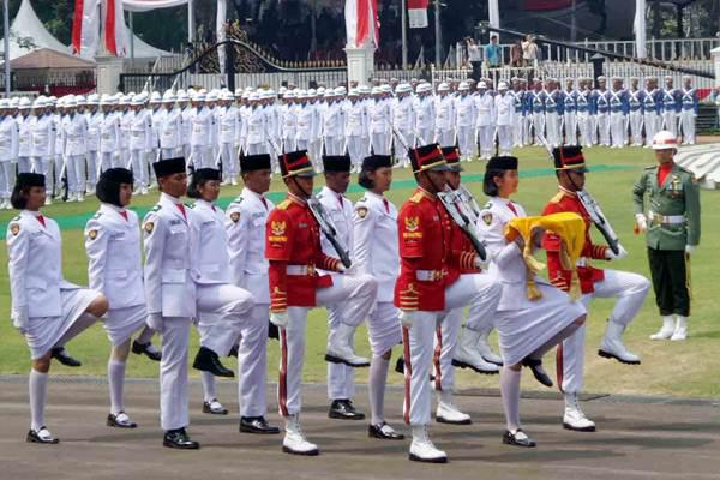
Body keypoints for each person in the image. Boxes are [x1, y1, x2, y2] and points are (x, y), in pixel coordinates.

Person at [266, 150, 377, 456]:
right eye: (303, 178)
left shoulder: (309, 210)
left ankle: (339, 342)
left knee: (366, 284)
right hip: (291, 292)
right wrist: (277, 304)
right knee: (292, 360)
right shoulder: (282, 214)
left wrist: (338, 265)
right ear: (290, 181)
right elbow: (276, 265)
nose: (309, 182)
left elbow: (316, 255)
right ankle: (292, 427)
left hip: (314, 282)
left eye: (310, 177)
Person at [477, 156, 587, 448]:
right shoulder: (489, 214)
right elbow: (497, 260)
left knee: (576, 312)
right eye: (511, 175)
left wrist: (538, 236)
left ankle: (535, 354)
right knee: (511, 362)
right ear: (497, 179)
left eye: (516, 174)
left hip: (527, 285)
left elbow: (530, 249)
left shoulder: (517, 208)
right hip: (506, 292)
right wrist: (521, 239)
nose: (516, 179)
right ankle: (512, 427)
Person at [543, 146, 650, 432]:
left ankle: (612, 340)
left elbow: (586, 246)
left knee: (638, 284)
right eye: (578, 173)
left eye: (583, 172)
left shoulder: (580, 201)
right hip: (569, 281)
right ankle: (571, 406)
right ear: (564, 175)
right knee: (573, 344)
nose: (583, 177)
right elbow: (553, 253)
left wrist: (607, 252)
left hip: (587, 274)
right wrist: (563, 287)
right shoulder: (556, 206)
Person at [7, 173, 109, 444]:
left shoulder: (51, 224)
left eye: (43, 190)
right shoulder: (19, 226)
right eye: (37, 191)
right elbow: (16, 270)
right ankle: (37, 426)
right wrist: (19, 310)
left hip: (59, 291)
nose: (43, 195)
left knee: (99, 302)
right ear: (24, 194)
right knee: (41, 362)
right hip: (35, 302)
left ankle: (59, 343)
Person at [84, 168, 159, 429]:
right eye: (124, 187)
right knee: (120, 349)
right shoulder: (99, 221)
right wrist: (98, 297)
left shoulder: (132, 216)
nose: (129, 192)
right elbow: (96, 263)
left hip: (136, 289)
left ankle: (144, 342)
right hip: (114, 295)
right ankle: (116, 410)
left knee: (162, 312)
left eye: (130, 187)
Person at [186, 167, 256, 414]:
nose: (216, 189)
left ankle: (227, 349)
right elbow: (191, 250)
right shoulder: (194, 214)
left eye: (218, 184)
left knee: (226, 328)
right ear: (199, 187)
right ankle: (210, 397)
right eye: (211, 184)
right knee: (208, 336)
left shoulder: (219, 212)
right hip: (204, 282)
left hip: (222, 280)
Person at [142, 156, 200, 449]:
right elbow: (152, 266)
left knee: (179, 363)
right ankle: (173, 427)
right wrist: (153, 309)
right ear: (162, 182)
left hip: (188, 293)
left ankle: (178, 423)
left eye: (184, 177)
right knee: (173, 365)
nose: (183, 182)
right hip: (171, 298)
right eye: (177, 178)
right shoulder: (158, 216)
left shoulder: (186, 211)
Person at [225, 154, 281, 434]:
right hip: (251, 292)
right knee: (251, 352)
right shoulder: (240, 208)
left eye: (268, 173)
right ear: (247, 177)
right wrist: (237, 296)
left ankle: (257, 411)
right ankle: (250, 413)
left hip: (269, 289)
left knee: (260, 352)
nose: (268, 178)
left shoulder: (269, 205)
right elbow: (235, 256)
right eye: (262, 174)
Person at [353, 154, 404, 440]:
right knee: (382, 353)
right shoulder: (365, 208)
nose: (389, 177)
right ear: (370, 174)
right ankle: (377, 419)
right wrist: (367, 294)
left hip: (395, 288)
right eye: (385, 172)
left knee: (402, 347)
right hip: (379, 292)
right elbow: (360, 254)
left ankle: (389, 414)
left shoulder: (388, 206)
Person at [633, 131, 700, 341]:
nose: (661, 154)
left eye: (665, 150)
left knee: (678, 282)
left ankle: (682, 324)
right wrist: (639, 215)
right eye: (658, 151)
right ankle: (667, 322)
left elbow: (694, 211)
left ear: (673, 151)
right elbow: (636, 193)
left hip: (676, 236)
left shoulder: (685, 177)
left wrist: (692, 240)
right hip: (654, 236)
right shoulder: (649, 174)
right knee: (660, 280)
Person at [317, 155, 366, 421]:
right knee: (339, 333)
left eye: (348, 175)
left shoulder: (346, 204)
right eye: (342, 176)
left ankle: (344, 396)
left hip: (349, 275)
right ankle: (339, 397)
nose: (347, 180)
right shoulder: (320, 204)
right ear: (328, 177)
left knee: (345, 335)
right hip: (331, 275)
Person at [0, 99, 18, 210]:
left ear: (6, 110)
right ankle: (3, 198)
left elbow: (15, 140)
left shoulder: (12, 122)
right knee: (1, 177)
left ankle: (10, 199)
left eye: (2, 109)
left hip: (8, 153)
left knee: (9, 178)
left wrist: (14, 155)